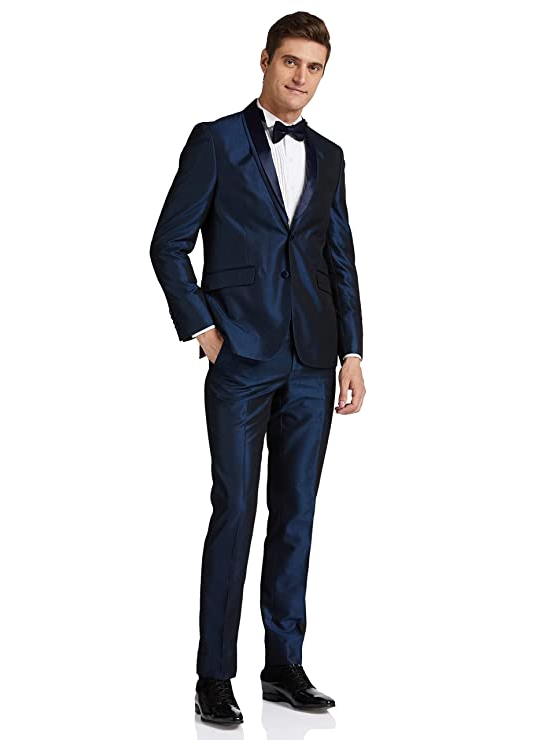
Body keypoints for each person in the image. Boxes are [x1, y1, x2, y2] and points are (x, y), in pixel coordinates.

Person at [150, 11, 365, 725]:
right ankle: (214, 675)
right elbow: (168, 244)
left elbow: (339, 257)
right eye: (290, 61)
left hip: (312, 360)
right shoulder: (216, 141)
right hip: (240, 358)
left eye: (314, 67)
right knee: (235, 511)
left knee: (297, 514)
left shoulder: (329, 155)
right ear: (266, 60)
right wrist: (206, 331)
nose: (301, 77)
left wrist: (352, 352)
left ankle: (284, 665)